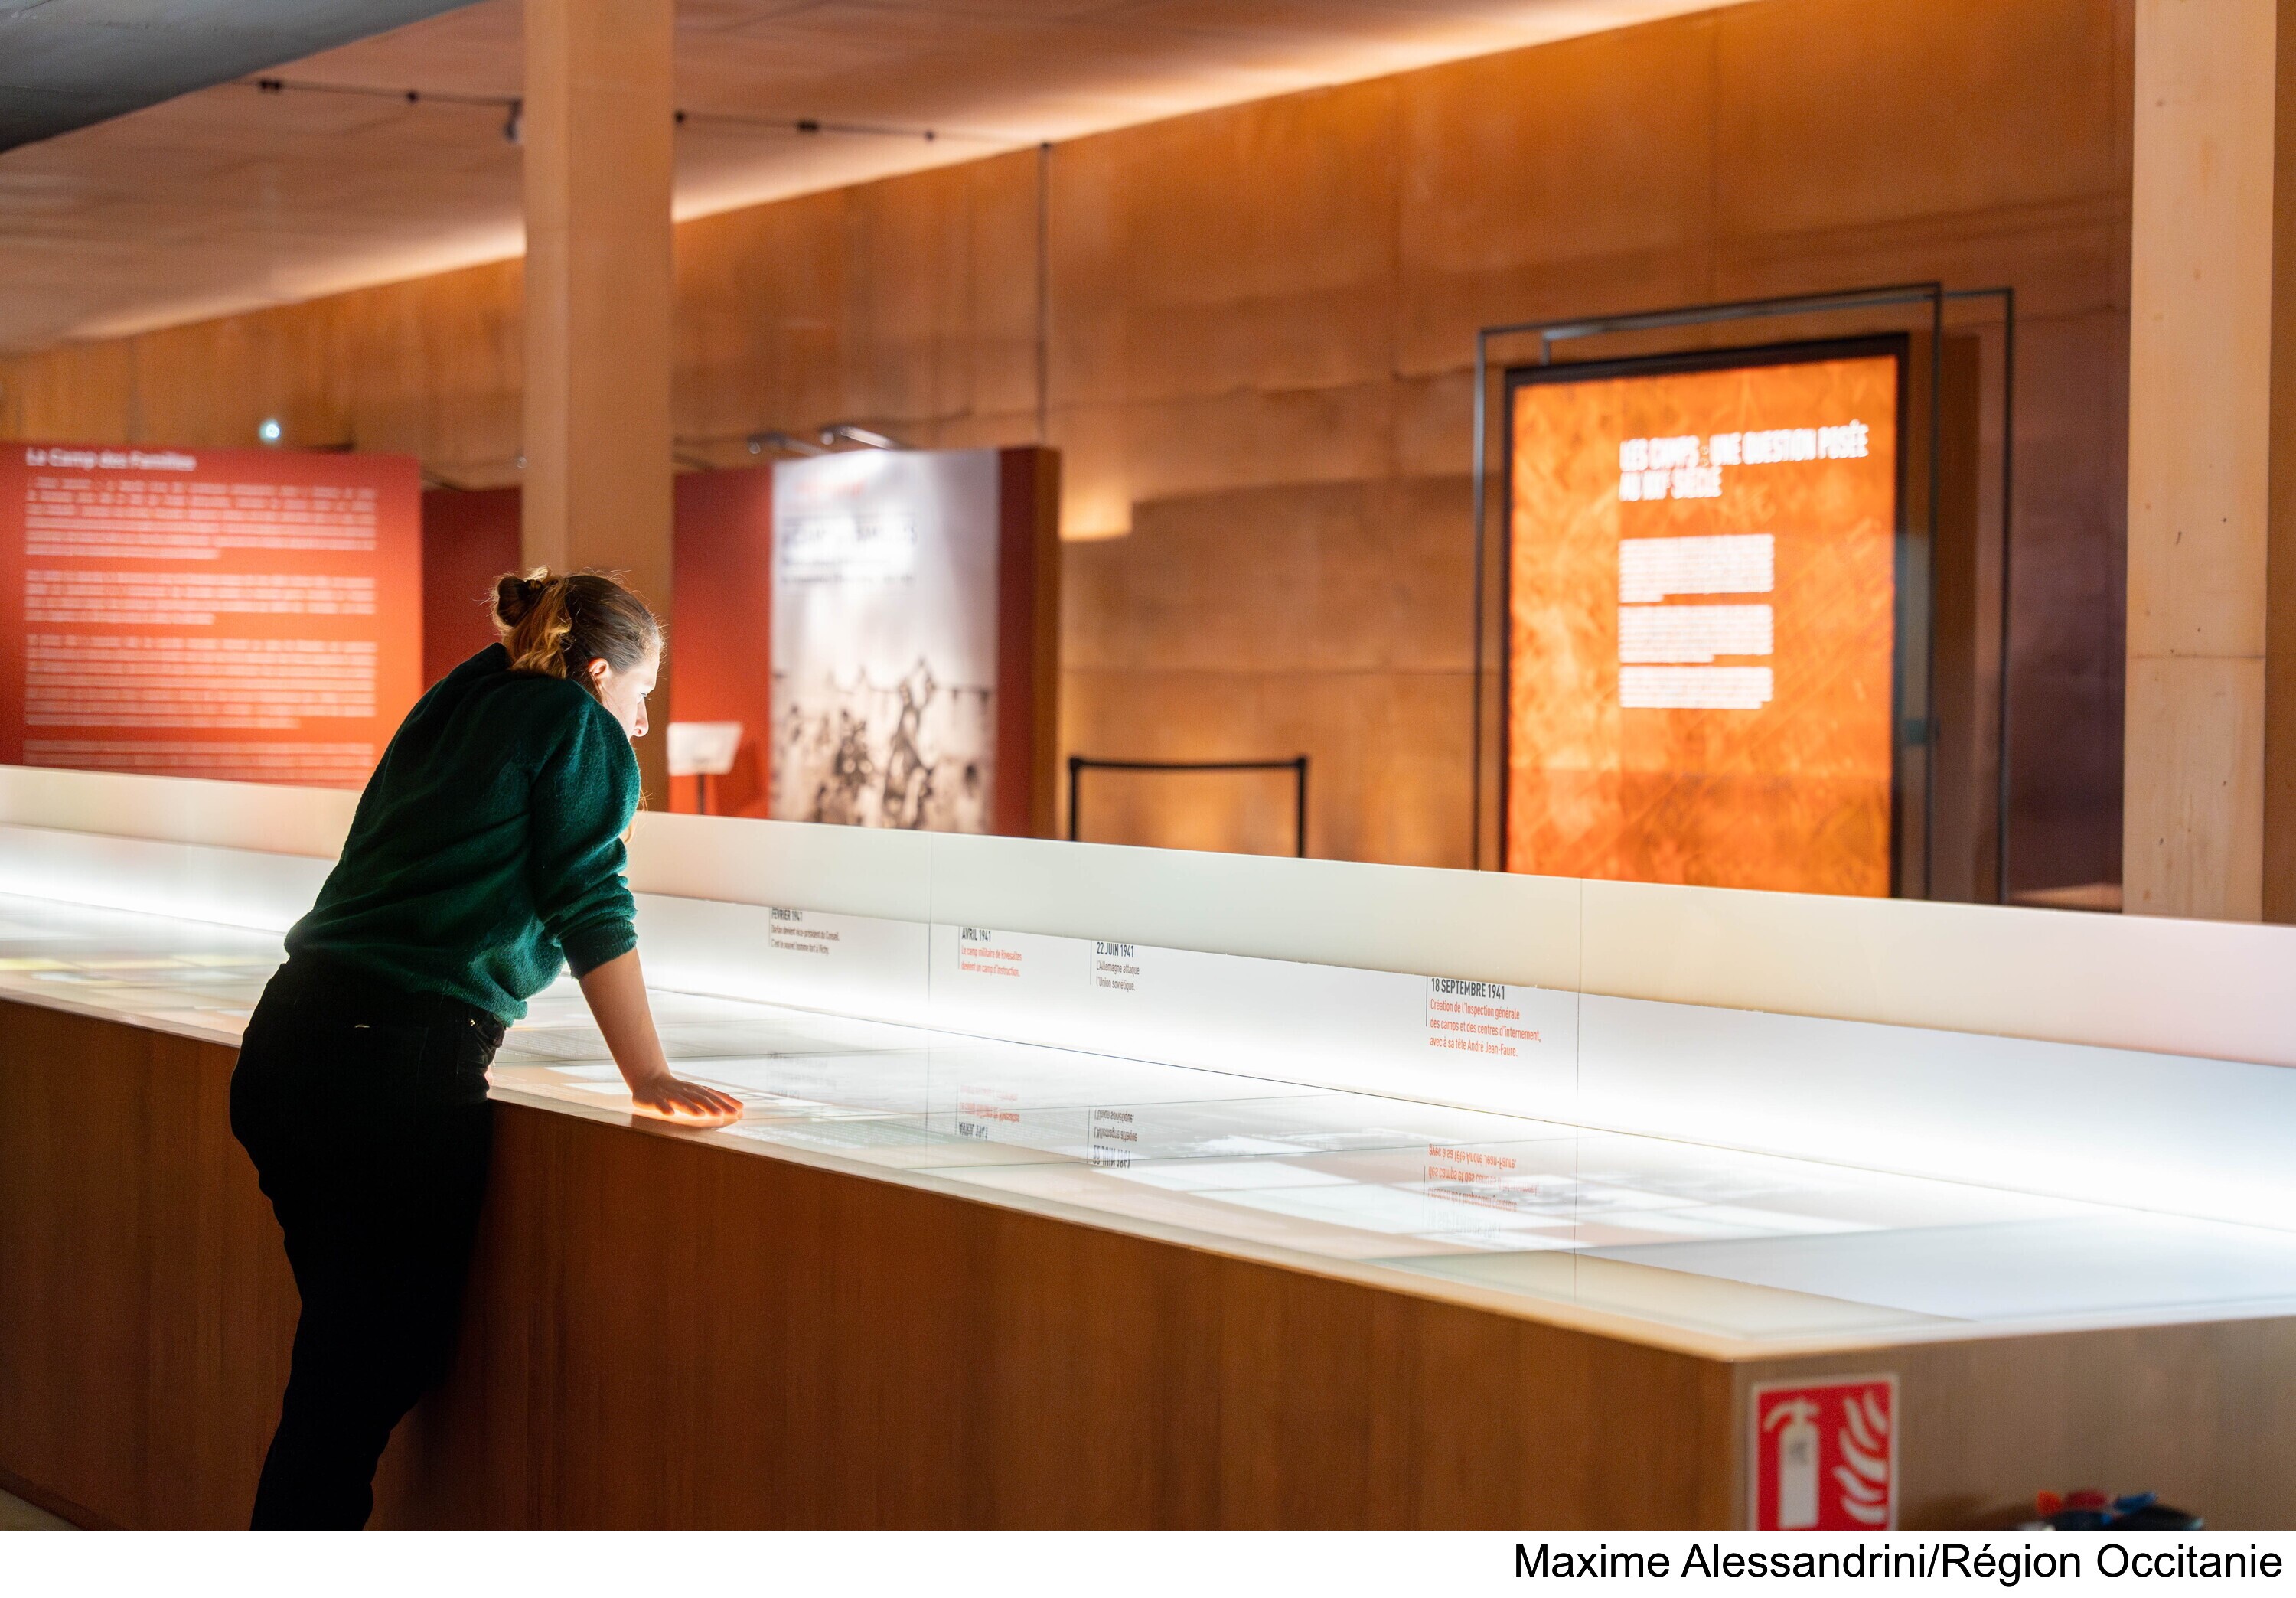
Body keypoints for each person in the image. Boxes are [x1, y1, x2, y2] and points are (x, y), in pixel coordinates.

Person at [228, 568, 744, 1529]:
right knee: (361, 1378)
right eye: (639, 695)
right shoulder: (576, 723)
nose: (638, 724)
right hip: (394, 1063)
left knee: (346, 1360)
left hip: (286, 1040)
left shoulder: (462, 698)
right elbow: (591, 899)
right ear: (598, 673)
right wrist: (649, 1073)